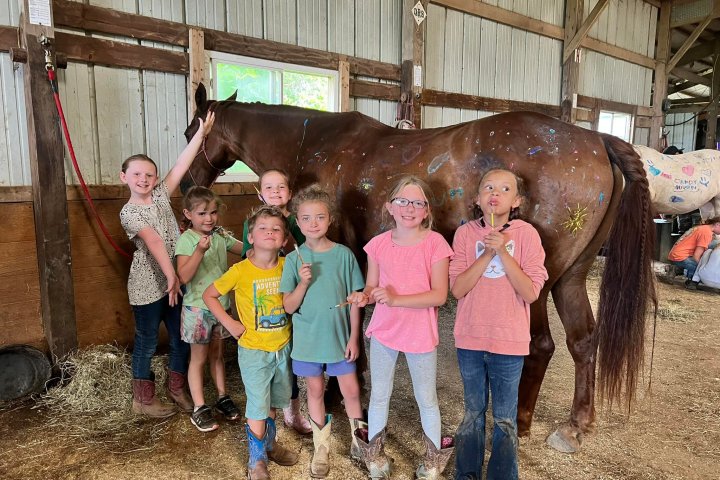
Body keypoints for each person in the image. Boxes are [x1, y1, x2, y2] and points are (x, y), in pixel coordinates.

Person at [449, 168, 548, 480]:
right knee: (472, 413)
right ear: (478, 199)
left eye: (505, 189)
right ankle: (466, 474)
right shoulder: (465, 235)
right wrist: (485, 254)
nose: (495, 193)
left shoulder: (527, 235)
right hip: (470, 340)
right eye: (488, 187)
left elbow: (531, 292)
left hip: (509, 342)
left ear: (516, 200)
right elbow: (458, 289)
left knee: (505, 418)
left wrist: (503, 251)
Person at [355, 175, 455, 480]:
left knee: (426, 398)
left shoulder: (435, 244)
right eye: (402, 201)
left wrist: (397, 299)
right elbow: (372, 286)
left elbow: (439, 294)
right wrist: (364, 295)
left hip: (420, 333)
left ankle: (433, 460)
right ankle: (374, 456)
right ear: (390, 207)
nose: (409, 208)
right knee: (379, 394)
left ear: (426, 211)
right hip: (385, 330)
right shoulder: (378, 245)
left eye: (417, 203)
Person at [119, 111, 215, 418]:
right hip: (148, 286)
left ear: (156, 178)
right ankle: (143, 400)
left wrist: (200, 135)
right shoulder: (129, 212)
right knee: (147, 341)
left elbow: (181, 165)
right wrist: (173, 276)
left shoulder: (160, 196)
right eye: (137, 175)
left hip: (175, 281)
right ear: (125, 178)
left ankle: (177, 388)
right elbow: (155, 242)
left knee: (180, 337)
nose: (144, 180)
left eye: (149, 175)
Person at [203, 205, 299, 479]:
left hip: (283, 348)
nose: (270, 232)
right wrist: (230, 323)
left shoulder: (287, 265)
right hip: (254, 351)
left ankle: (269, 445)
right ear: (251, 237)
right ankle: (256, 461)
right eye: (262, 228)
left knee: (272, 402)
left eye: (276, 229)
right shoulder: (240, 270)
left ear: (284, 240)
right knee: (257, 404)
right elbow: (210, 295)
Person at [280, 185, 366, 478]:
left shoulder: (343, 255)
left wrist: (355, 336)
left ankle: (360, 442)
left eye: (320, 217)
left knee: (351, 390)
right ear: (297, 221)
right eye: (306, 218)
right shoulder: (293, 260)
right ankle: (321, 447)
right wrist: (303, 283)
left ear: (330, 220)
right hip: (308, 340)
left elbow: (356, 299)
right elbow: (289, 307)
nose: (313, 223)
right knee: (314, 389)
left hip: (340, 339)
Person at [242, 168, 312, 435]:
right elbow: (246, 259)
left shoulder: (296, 221)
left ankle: (292, 412)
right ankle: (266, 417)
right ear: (260, 194)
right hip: (264, 299)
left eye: (280, 187)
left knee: (290, 358)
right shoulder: (252, 222)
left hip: (293, 295)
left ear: (289, 193)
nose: (274, 192)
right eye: (268, 188)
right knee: (265, 364)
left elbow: (307, 248)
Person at [176, 186, 244, 432]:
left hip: (220, 307)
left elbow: (245, 249)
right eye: (202, 213)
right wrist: (199, 251)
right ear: (189, 214)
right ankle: (199, 407)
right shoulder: (187, 240)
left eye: (213, 212)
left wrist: (265, 237)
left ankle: (223, 397)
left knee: (218, 355)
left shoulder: (221, 235)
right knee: (199, 358)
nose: (209, 218)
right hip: (197, 309)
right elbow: (183, 276)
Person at [668, 216, 720, 289]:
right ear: (717, 224)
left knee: (716, 243)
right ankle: (691, 280)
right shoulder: (706, 233)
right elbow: (696, 256)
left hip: (678, 253)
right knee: (703, 270)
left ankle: (679, 269)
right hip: (680, 257)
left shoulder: (704, 228)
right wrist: (704, 266)